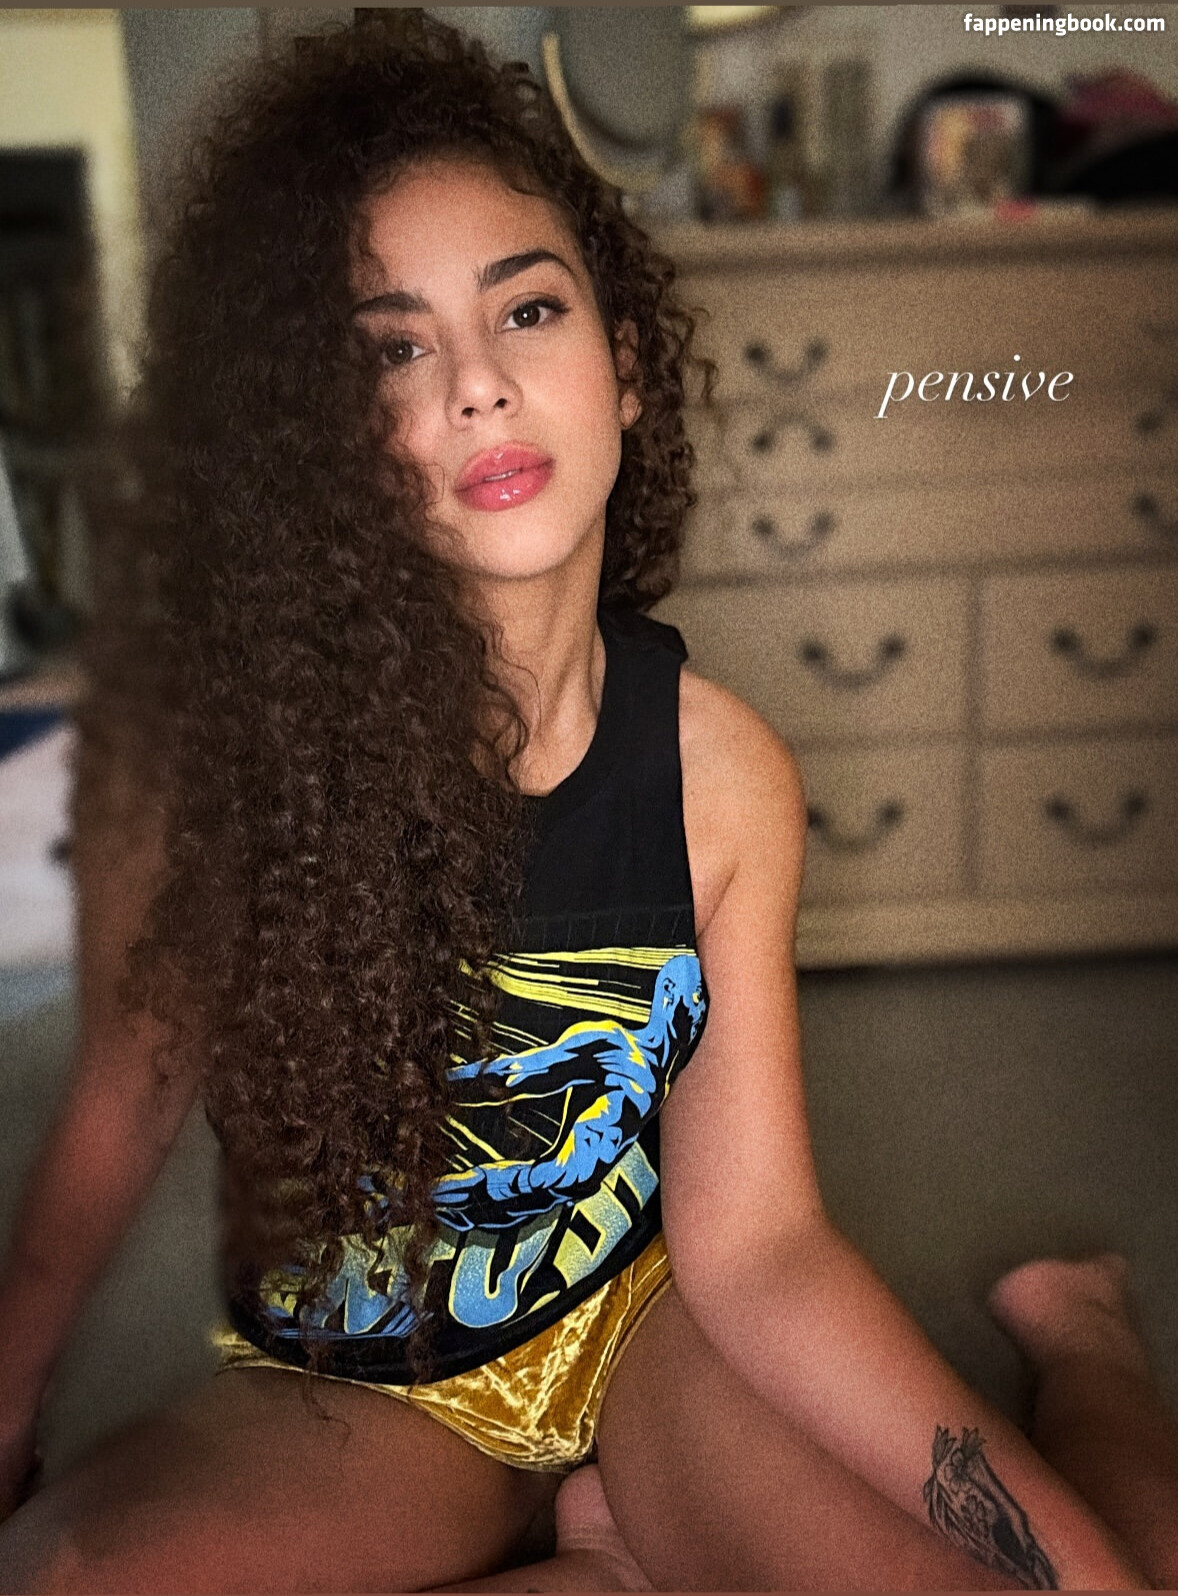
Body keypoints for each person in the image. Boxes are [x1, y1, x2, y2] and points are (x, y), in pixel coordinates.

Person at [1, 11, 1176, 1592]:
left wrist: (1072, 1565)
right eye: (394, 348)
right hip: (363, 1389)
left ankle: (1083, 1340)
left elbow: (759, 1244)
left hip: (645, 1331)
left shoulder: (724, 778)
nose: (479, 387)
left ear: (624, 367)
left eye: (527, 309)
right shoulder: (212, 769)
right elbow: (117, 1108)